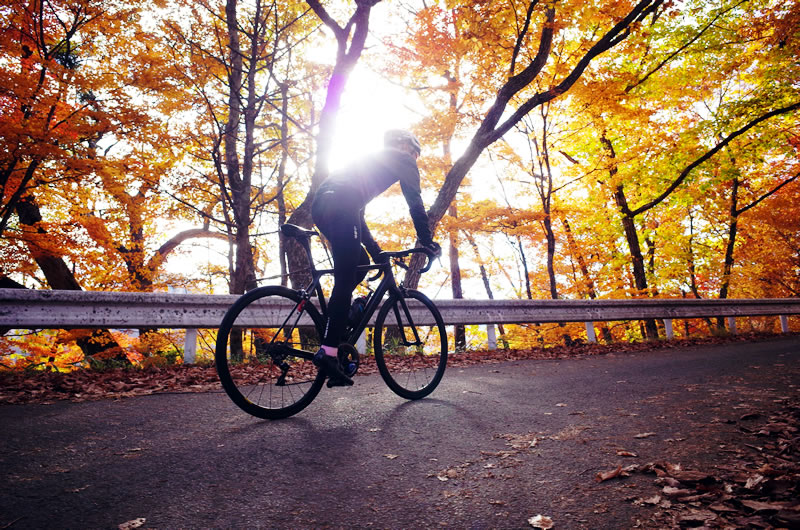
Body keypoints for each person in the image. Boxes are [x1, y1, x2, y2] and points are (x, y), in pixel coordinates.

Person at [311, 129, 441, 386]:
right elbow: (414, 201)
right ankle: (328, 352)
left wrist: (374, 250)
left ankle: (338, 325)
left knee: (358, 264)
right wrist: (426, 241)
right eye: (415, 153)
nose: (415, 159)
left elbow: (356, 214)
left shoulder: (371, 161)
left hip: (322, 206)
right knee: (346, 276)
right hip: (341, 205)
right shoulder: (403, 159)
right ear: (406, 147)